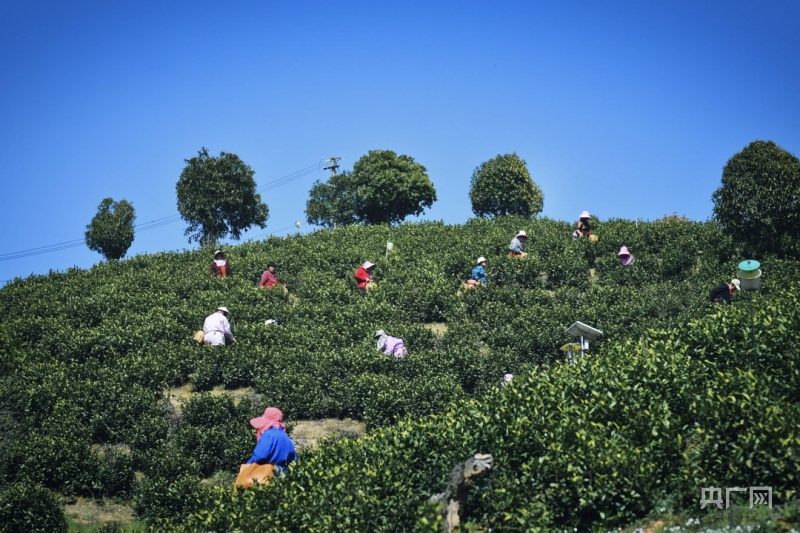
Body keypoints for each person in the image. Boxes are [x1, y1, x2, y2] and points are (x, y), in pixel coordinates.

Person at [247, 407, 297, 475]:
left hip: (267, 475)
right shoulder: (286, 436)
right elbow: (293, 459)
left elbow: (260, 456)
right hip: (283, 475)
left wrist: (248, 466)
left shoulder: (268, 434)